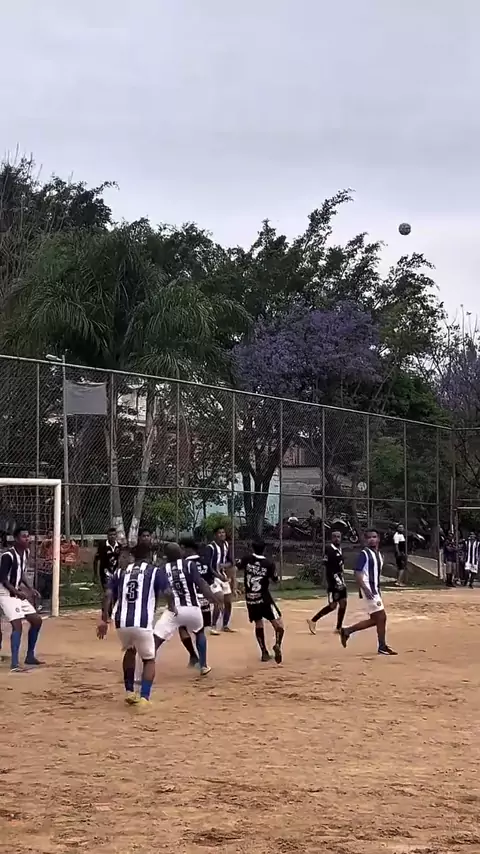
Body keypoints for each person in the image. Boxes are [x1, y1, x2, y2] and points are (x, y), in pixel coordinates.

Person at [97, 534, 173, 710]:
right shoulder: (155, 571)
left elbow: (107, 594)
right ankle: (144, 697)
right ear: (149, 556)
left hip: (121, 622)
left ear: (133, 556)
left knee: (130, 651)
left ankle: (129, 691)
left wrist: (104, 619)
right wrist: (172, 606)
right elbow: (168, 592)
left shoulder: (120, 571)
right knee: (149, 659)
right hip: (142, 622)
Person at [153, 542, 221, 676]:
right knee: (199, 632)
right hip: (193, 609)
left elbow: (162, 590)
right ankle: (203, 665)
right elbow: (201, 583)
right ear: (179, 553)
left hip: (174, 610)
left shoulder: (162, 569)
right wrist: (213, 598)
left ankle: (146, 664)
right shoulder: (189, 565)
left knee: (157, 638)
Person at [339, 528, 397, 656]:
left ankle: (347, 631)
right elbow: (357, 573)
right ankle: (382, 646)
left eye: (374, 537)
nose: (372, 539)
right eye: (369, 537)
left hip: (375, 589)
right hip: (369, 590)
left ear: (378, 539)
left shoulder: (379, 555)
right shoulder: (364, 554)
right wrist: (365, 589)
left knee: (376, 619)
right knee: (381, 617)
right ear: (366, 540)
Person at [0, 526, 44, 672]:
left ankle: (30, 656)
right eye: (24, 536)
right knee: (17, 625)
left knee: (36, 620)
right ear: (16, 539)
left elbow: (21, 573)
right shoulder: (8, 556)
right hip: (5, 593)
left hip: (16, 592)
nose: (27, 539)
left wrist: (30, 588)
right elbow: (3, 580)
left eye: (28, 536)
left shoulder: (26, 552)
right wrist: (17, 593)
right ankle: (14, 664)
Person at [237, 540, 284, 664]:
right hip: (264, 597)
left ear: (252, 548)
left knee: (258, 623)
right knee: (278, 624)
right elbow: (275, 580)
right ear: (264, 549)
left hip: (251, 598)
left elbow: (236, 566)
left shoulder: (247, 559)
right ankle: (277, 644)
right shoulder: (268, 563)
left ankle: (264, 652)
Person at [178, 537, 221, 667]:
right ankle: (203, 663)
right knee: (199, 632)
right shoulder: (205, 562)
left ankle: (193, 655)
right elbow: (209, 582)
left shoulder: (183, 564)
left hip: (188, 602)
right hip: (203, 602)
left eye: (181, 548)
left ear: (185, 548)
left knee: (182, 628)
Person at [307, 530, 347, 635]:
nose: (337, 539)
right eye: (335, 537)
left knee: (343, 602)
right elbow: (325, 565)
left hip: (340, 579)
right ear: (331, 538)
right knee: (333, 605)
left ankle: (338, 627)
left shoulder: (340, 549)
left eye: (338, 536)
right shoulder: (329, 550)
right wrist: (330, 581)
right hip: (333, 581)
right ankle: (313, 620)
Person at [205, 526, 235, 633]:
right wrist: (218, 576)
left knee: (228, 601)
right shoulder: (211, 547)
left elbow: (231, 561)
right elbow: (208, 566)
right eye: (219, 533)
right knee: (219, 600)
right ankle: (213, 626)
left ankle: (225, 625)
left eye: (223, 532)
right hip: (214, 578)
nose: (222, 534)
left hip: (223, 576)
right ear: (215, 535)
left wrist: (225, 565)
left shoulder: (226, 545)